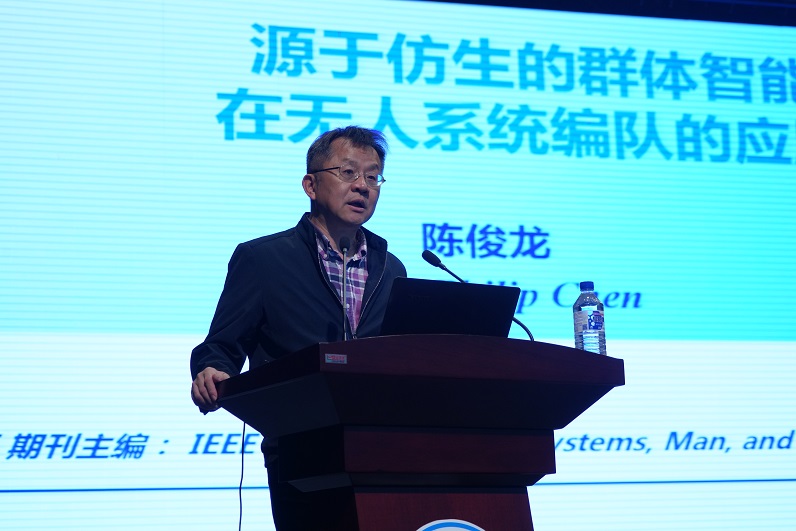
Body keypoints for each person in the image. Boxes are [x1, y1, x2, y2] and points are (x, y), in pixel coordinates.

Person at [190, 126, 406, 530]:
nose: (362, 186)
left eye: (373, 176)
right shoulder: (264, 259)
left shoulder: (391, 269)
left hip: (380, 452)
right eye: (348, 172)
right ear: (311, 185)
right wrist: (212, 369)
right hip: (300, 451)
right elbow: (220, 346)